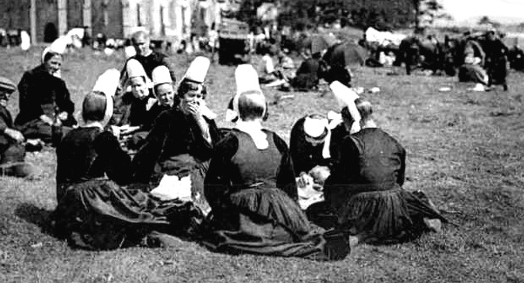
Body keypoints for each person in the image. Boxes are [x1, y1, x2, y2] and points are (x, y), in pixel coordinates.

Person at [53, 70, 198, 250]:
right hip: (90, 199)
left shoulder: (67, 135)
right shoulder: (102, 137)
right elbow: (124, 176)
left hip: (65, 202)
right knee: (140, 205)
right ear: (107, 113)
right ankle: (156, 231)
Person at [200, 90, 349, 260]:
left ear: (238, 112)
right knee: (285, 232)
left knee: (228, 232)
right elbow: (288, 185)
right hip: (278, 204)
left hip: (241, 206)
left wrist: (221, 212)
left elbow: (213, 188)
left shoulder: (228, 142)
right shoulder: (276, 140)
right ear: (263, 113)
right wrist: (293, 213)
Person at [323, 95, 444, 245]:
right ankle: (411, 220)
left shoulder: (351, 141)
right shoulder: (393, 141)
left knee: (330, 187)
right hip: (394, 200)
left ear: (350, 121)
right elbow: (399, 180)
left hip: (365, 201)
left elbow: (342, 178)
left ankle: (365, 231)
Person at [132, 57, 220, 205]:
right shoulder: (167, 117)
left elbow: (214, 148)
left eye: (199, 96)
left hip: (197, 168)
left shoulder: (205, 117)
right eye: (191, 96)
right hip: (171, 168)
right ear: (181, 96)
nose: (196, 100)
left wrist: (199, 120)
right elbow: (150, 148)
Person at [15, 40, 76, 142]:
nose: (56, 67)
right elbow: (27, 103)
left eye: (59, 64)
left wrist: (65, 112)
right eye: (53, 63)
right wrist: (42, 116)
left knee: (70, 130)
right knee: (62, 133)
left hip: (53, 120)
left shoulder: (58, 82)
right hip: (32, 120)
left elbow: (67, 102)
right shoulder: (30, 77)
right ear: (45, 62)